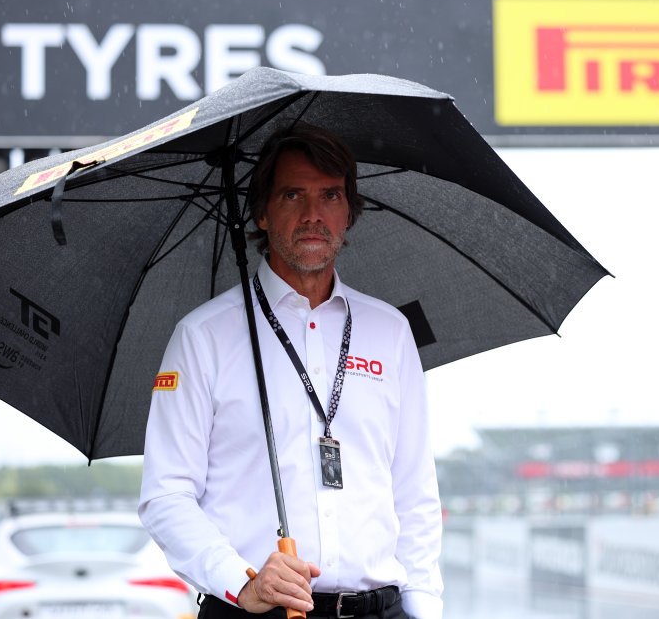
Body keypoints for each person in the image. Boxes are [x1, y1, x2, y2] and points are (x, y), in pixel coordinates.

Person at [139, 124, 443, 619]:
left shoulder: (389, 330)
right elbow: (166, 495)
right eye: (293, 195)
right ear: (261, 212)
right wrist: (243, 582)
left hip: (380, 609)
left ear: (349, 212)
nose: (313, 214)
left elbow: (415, 493)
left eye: (330, 195)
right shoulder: (203, 335)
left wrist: (425, 609)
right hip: (253, 610)